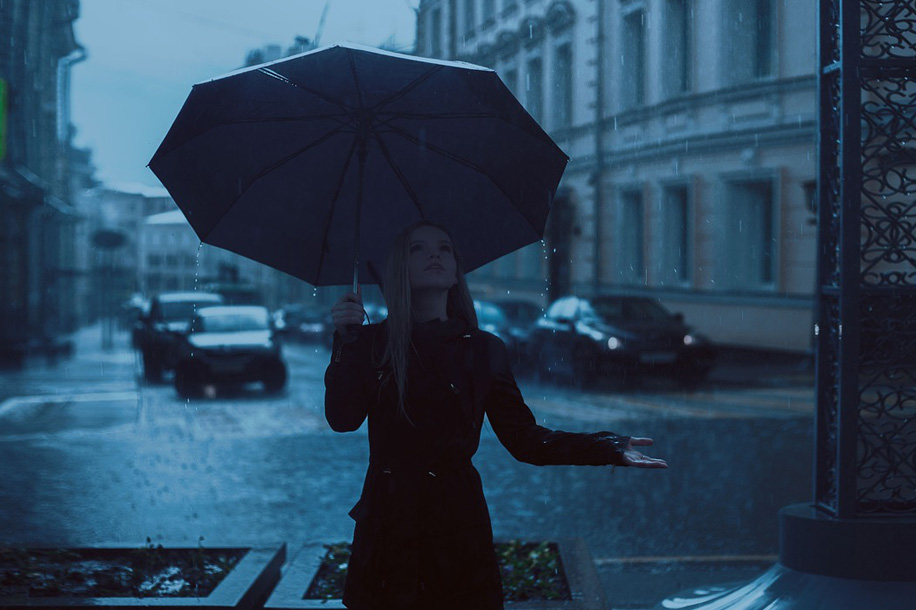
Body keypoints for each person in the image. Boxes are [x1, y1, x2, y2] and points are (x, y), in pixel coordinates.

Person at [325, 221, 667, 610]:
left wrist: (606, 447)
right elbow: (342, 418)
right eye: (417, 249)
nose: (435, 254)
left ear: (456, 272)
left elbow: (526, 440)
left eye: (445, 248)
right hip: (387, 527)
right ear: (396, 270)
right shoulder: (371, 344)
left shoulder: (482, 349)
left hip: (454, 526)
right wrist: (346, 340)